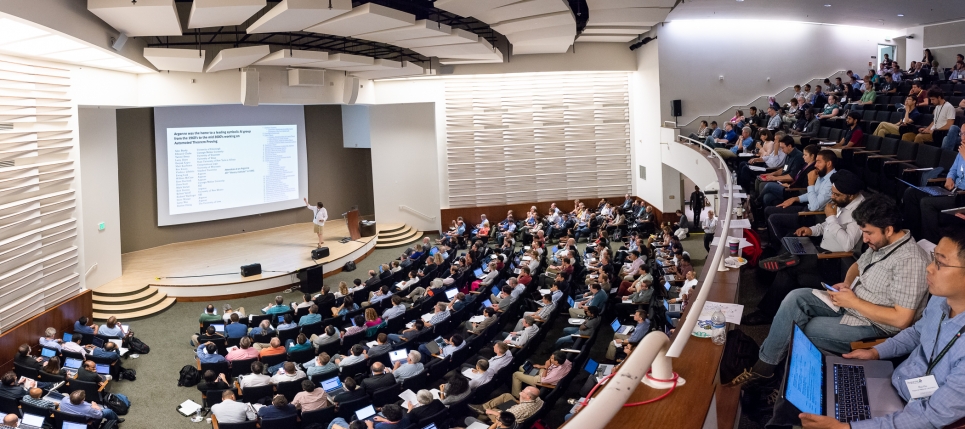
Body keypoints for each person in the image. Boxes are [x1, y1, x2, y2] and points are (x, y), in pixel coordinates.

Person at [729, 194, 930, 387]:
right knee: (796, 297)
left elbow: (901, 319)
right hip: (853, 302)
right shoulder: (881, 244)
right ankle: (766, 369)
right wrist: (847, 283)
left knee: (801, 329)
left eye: (868, 233)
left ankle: (766, 373)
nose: (865, 239)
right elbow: (857, 266)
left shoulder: (911, 261)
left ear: (888, 229)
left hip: (876, 325)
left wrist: (854, 302)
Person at [799, 229, 965, 429]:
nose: (929, 268)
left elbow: (930, 418)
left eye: (940, 263)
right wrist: (876, 352)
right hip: (897, 382)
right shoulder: (941, 299)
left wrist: (846, 428)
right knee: (821, 385)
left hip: (913, 416)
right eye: (933, 258)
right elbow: (917, 333)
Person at [903, 136, 965, 244]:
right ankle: (912, 238)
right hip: (952, 191)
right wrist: (949, 178)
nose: (962, 137)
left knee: (927, 203)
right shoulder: (962, 150)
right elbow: (953, 170)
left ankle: (930, 244)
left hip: (962, 196)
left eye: (964, 133)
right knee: (912, 193)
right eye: (961, 133)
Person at [466, 386, 544, 426]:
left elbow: (504, 417)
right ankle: (483, 409)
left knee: (491, 409)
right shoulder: (538, 399)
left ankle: (482, 416)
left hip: (509, 418)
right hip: (524, 408)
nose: (522, 391)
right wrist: (522, 397)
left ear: (528, 397)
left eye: (523, 391)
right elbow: (525, 402)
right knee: (507, 396)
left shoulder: (518, 410)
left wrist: (492, 411)